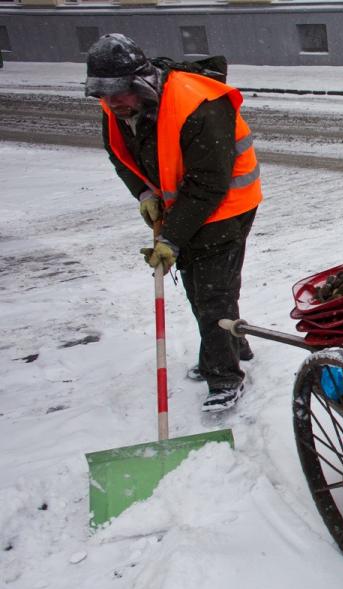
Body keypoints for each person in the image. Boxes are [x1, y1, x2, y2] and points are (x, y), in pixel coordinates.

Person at [85, 33, 261, 412]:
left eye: (119, 91)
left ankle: (224, 377)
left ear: (141, 82)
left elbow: (208, 182)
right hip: (187, 204)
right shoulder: (116, 107)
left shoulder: (199, 105)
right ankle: (233, 345)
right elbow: (119, 155)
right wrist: (145, 194)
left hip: (228, 203)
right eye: (104, 93)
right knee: (205, 287)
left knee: (211, 292)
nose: (112, 101)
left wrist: (171, 238)